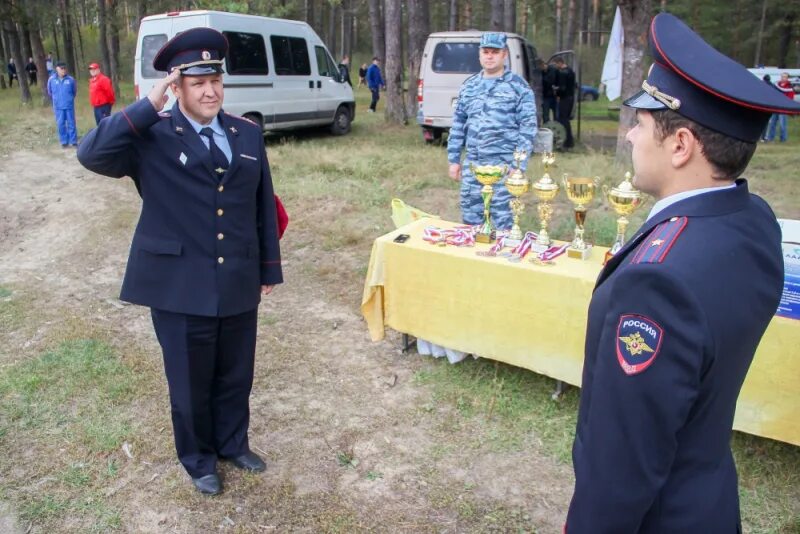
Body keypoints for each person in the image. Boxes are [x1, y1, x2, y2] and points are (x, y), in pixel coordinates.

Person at [565, 13, 800, 533]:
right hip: (709, 500)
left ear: (681, 145)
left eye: (641, 123)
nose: (629, 136)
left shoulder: (657, 283)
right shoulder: (753, 219)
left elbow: (623, 465)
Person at [76, 28, 284, 496]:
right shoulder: (151, 136)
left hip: (236, 275)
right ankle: (198, 458)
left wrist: (267, 268)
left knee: (235, 373)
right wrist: (148, 106)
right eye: (196, 83)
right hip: (178, 282)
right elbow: (90, 154)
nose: (210, 90)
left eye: (215, 80)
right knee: (190, 382)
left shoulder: (246, 131)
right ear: (177, 86)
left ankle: (233, 443)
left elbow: (262, 204)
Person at [447, 32, 537, 230]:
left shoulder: (519, 87)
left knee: (504, 223)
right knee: (471, 222)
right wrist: (454, 160)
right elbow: (458, 124)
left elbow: (528, 129)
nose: (489, 56)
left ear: (504, 54)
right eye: (485, 52)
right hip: (473, 167)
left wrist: (518, 166)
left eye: (494, 52)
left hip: (504, 167)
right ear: (479, 54)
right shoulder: (469, 86)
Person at [47, 62, 78, 148]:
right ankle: (64, 141)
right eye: (61, 69)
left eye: (64, 68)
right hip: (58, 107)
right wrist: (56, 99)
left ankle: (73, 141)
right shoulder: (51, 80)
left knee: (71, 123)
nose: (63, 70)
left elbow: (74, 91)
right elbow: (50, 92)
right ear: (57, 69)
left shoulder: (70, 79)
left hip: (69, 106)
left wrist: (69, 99)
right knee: (60, 124)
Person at [764, 71, 796, 142]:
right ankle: (770, 138)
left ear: (787, 78)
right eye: (782, 76)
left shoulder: (789, 87)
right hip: (776, 106)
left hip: (783, 108)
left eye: (784, 77)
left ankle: (783, 139)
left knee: (782, 124)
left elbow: (790, 98)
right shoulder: (777, 85)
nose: (783, 78)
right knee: (772, 123)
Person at [553, 56, 576, 149]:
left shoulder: (563, 73)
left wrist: (556, 92)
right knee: (565, 119)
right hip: (570, 97)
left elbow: (562, 88)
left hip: (564, 98)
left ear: (559, 63)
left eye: (555, 64)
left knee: (563, 119)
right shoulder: (570, 71)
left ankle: (566, 141)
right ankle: (569, 141)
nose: (555, 66)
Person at [537, 59, 558, 123]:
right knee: (545, 116)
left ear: (542, 65)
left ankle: (556, 127)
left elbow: (553, 81)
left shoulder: (553, 70)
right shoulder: (540, 73)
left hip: (554, 95)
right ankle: (547, 128)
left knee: (556, 115)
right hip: (545, 96)